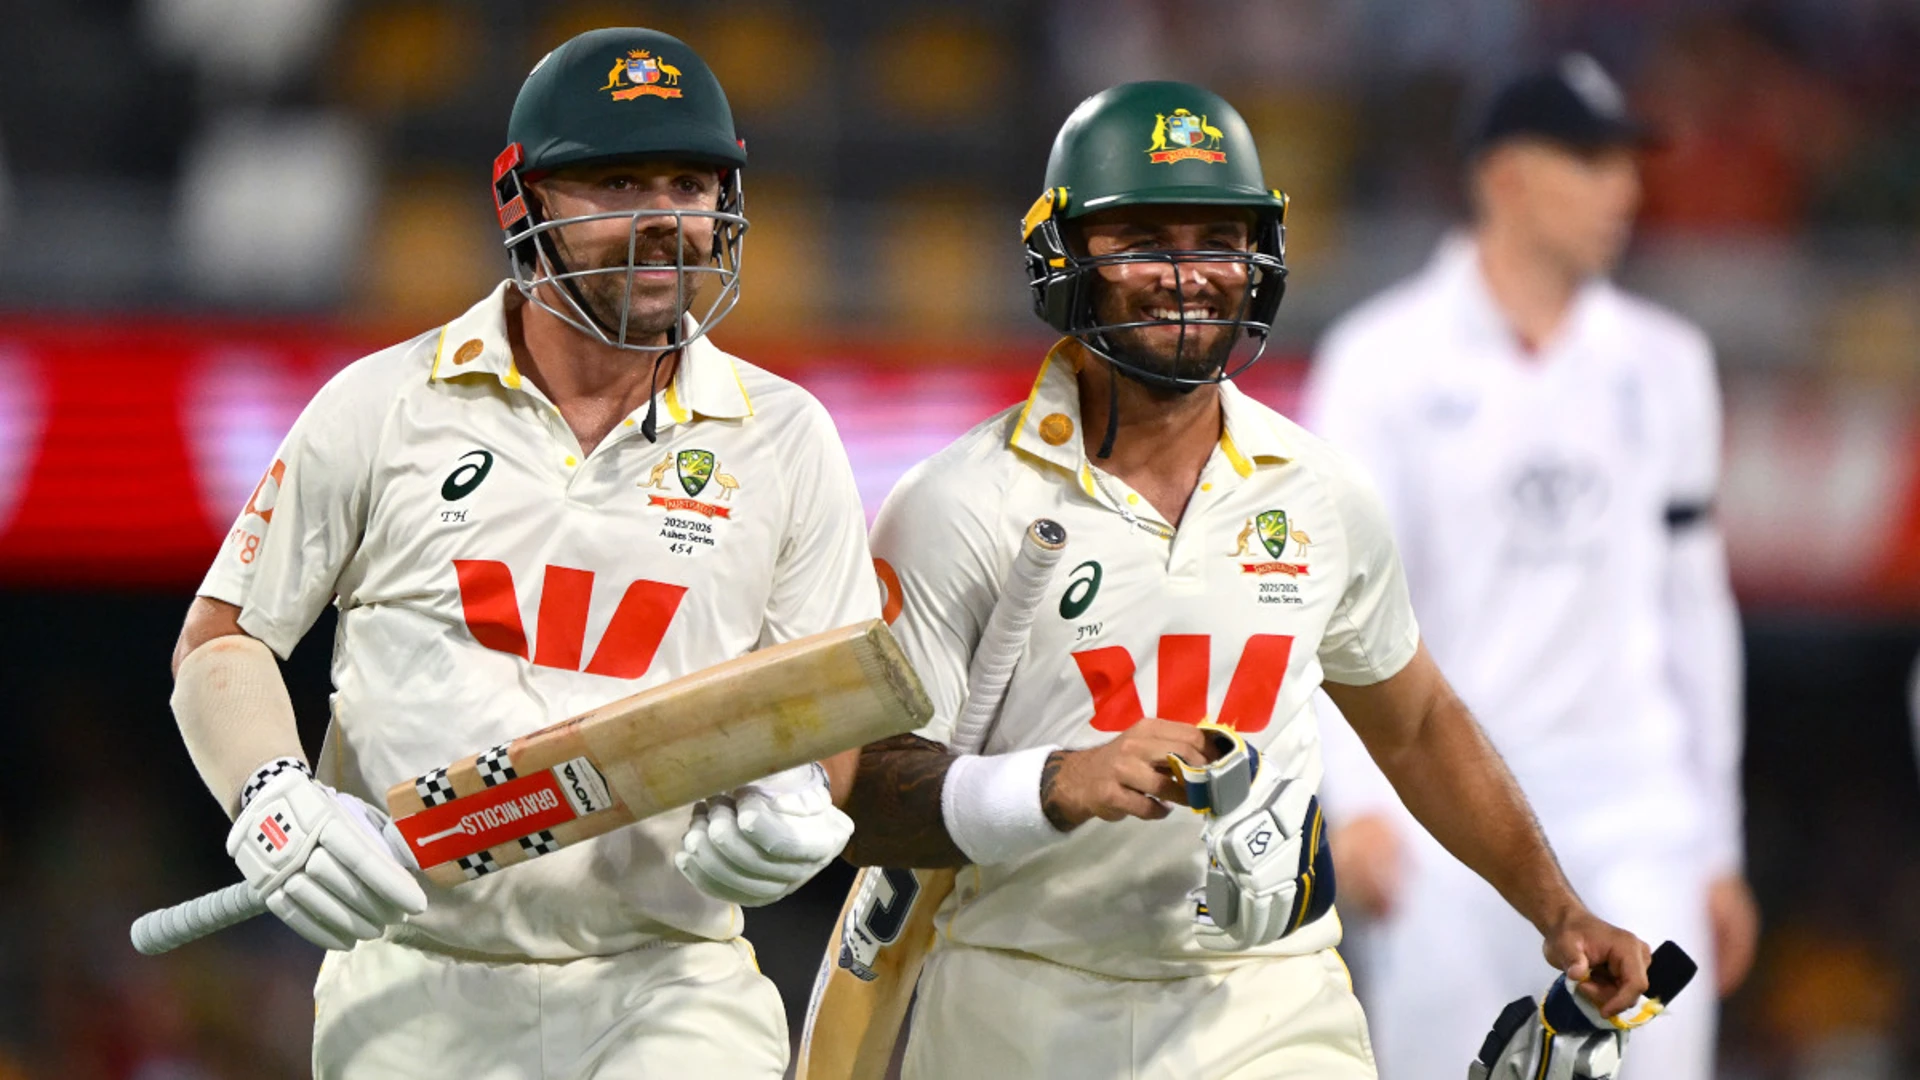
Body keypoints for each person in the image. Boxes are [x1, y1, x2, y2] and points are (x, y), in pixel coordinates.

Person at [841, 79, 1655, 1079]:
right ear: (1066, 256)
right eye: (1144, 239)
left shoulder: (1321, 490)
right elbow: (861, 794)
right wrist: (1058, 781)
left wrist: (1557, 908)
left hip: (1269, 1001)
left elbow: (1417, 722)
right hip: (1018, 995)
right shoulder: (957, 502)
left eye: (1216, 238)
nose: (1188, 275)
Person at [166, 27, 875, 1078]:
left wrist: (801, 795)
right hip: (412, 972)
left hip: (672, 982)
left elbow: (826, 705)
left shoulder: (787, 436)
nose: (661, 222)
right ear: (523, 201)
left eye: (688, 183)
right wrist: (273, 797)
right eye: (615, 182)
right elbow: (222, 637)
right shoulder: (382, 406)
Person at [1302, 53, 1756, 1080]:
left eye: (1627, 163)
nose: (1626, 191)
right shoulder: (1382, 365)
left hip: (1635, 805)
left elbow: (1695, 608)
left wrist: (1714, 844)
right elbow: (1334, 610)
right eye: (1592, 161)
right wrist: (1357, 803)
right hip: (1447, 811)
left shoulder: (1668, 365)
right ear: (1503, 176)